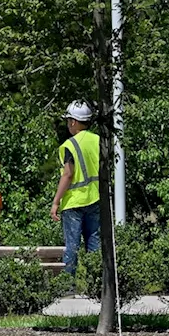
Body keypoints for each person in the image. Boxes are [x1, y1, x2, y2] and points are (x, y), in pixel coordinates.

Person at [51, 100, 101, 277]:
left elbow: (68, 174)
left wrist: (56, 202)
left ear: (73, 121)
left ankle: (67, 287)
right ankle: (96, 284)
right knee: (94, 244)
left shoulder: (69, 145)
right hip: (96, 198)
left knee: (72, 246)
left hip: (73, 202)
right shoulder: (99, 140)